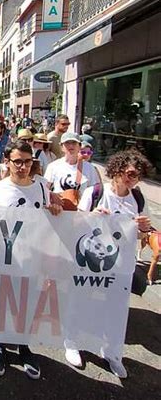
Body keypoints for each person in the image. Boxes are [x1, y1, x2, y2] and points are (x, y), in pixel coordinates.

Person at [68, 149, 153, 377]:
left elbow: (141, 235)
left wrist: (143, 229)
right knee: (82, 302)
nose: (132, 179)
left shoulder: (137, 199)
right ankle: (72, 343)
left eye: (137, 175)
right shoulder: (95, 192)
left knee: (115, 309)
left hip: (121, 264)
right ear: (117, 170)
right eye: (130, 173)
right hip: (90, 260)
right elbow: (75, 223)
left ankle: (112, 352)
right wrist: (93, 215)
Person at [0, 140, 62, 379]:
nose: (22, 166)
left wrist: (56, 208)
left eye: (27, 161)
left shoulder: (41, 186)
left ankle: (24, 346)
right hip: (3, 259)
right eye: (17, 161)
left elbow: (50, 217)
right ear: (7, 162)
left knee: (27, 306)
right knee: (1, 303)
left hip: (33, 258)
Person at [44, 132, 99, 210]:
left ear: (79, 146)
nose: (71, 146)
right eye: (67, 143)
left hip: (81, 213)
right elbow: (44, 189)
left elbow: (95, 192)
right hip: (59, 212)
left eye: (74, 143)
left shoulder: (89, 168)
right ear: (61, 147)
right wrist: (51, 195)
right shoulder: (53, 166)